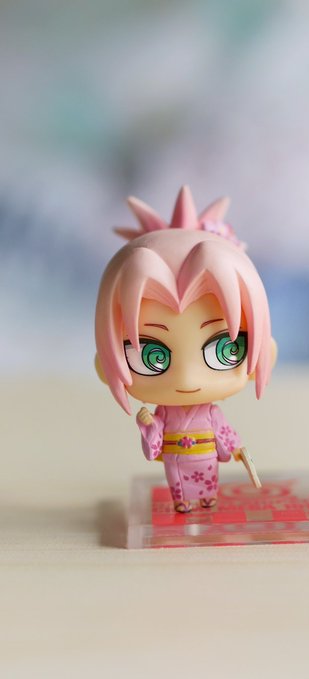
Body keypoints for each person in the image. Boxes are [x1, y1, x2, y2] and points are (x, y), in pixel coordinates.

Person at [95, 186, 275, 512]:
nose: (187, 378)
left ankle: (207, 497)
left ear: (266, 351)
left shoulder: (211, 415)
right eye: (151, 356)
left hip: (205, 458)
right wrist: (149, 425)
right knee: (178, 483)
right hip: (176, 458)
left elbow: (225, 435)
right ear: (104, 365)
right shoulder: (165, 414)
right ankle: (182, 501)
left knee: (208, 481)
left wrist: (237, 449)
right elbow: (154, 443)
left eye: (224, 349)